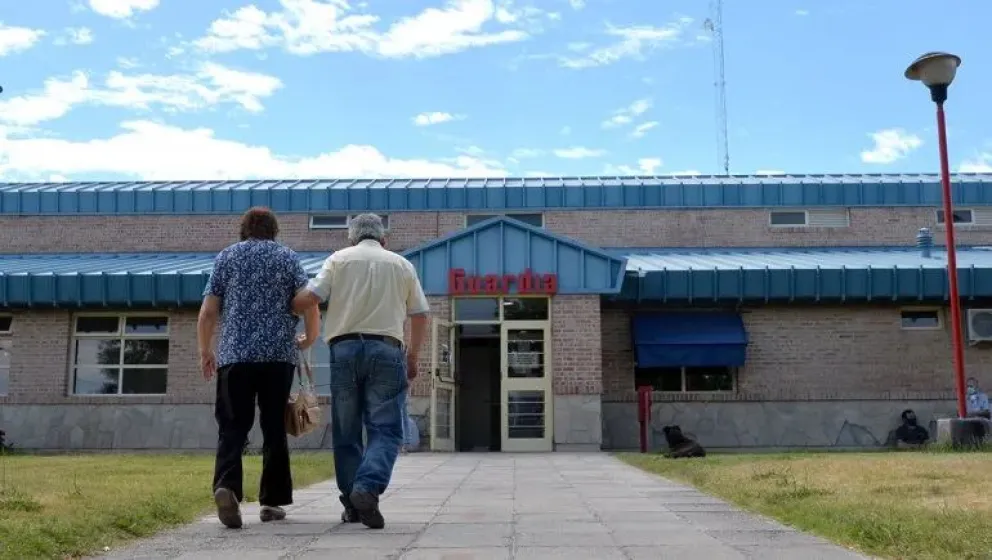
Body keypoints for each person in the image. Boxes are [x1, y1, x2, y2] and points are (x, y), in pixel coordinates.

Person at [292, 213, 429, 530]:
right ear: (384, 239)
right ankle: (367, 487)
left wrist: (285, 300)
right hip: (387, 350)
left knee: (346, 430)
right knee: (387, 429)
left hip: (344, 350)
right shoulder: (402, 265)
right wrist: (413, 356)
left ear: (351, 238)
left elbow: (310, 298)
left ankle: (352, 505)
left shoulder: (338, 259)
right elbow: (421, 314)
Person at [197, 206, 321, 529]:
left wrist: (205, 350)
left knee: (232, 427)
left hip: (235, 356)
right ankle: (271, 502)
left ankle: (227, 487)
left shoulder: (227, 257)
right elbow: (310, 302)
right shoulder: (287, 257)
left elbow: (208, 312)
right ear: (274, 230)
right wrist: (309, 339)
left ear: (244, 229)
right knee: (274, 428)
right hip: (277, 357)